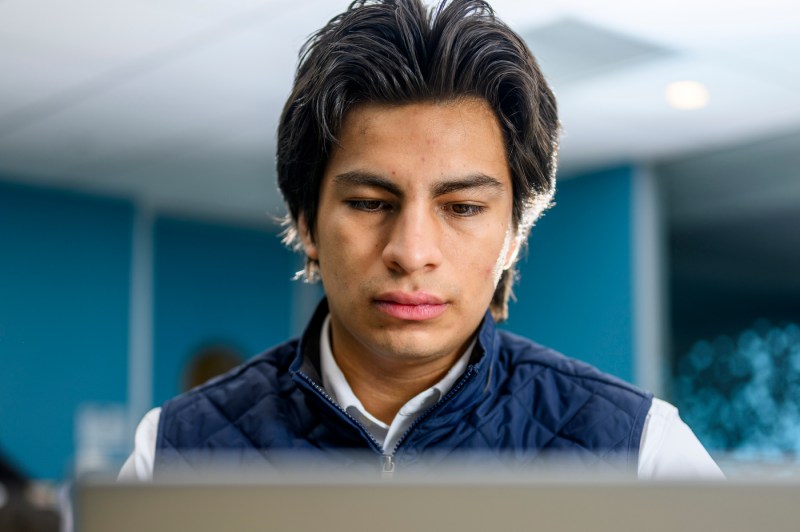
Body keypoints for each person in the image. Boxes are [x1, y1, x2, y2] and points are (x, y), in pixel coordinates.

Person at [120, 0, 722, 480]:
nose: (411, 252)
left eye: (461, 207)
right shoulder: (173, 452)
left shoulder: (642, 451)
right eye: (369, 204)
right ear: (305, 220)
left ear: (514, 235)